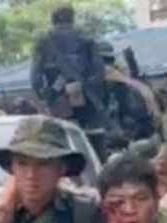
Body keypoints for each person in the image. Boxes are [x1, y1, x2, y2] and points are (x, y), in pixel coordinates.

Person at [30, 5, 108, 157]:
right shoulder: (88, 41)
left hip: (57, 99)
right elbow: (99, 74)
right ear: (72, 19)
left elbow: (35, 78)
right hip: (87, 100)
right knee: (93, 144)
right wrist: (87, 91)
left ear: (53, 20)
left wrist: (46, 97)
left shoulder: (43, 42)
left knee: (59, 142)